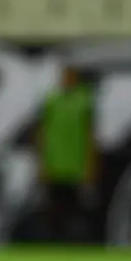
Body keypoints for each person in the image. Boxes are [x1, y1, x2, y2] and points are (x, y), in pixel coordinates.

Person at [37, 65, 96, 243]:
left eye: (71, 76)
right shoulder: (51, 100)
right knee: (54, 208)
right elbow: (42, 133)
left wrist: (90, 165)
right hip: (55, 164)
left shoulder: (84, 100)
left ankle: (74, 242)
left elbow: (90, 135)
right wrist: (42, 163)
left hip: (75, 165)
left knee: (75, 208)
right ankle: (53, 241)